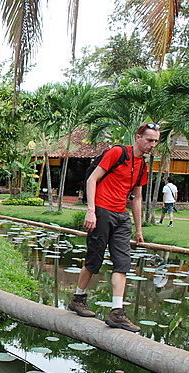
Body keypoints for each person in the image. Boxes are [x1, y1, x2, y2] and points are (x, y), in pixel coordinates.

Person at [67, 123, 160, 332]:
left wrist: (139, 230)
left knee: (122, 263)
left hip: (121, 216)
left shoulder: (142, 165)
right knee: (94, 260)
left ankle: (117, 312)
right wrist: (91, 211)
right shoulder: (118, 152)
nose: (152, 145)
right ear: (138, 137)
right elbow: (92, 179)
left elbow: (137, 197)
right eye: (149, 140)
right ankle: (78, 298)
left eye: (155, 141)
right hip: (101, 211)